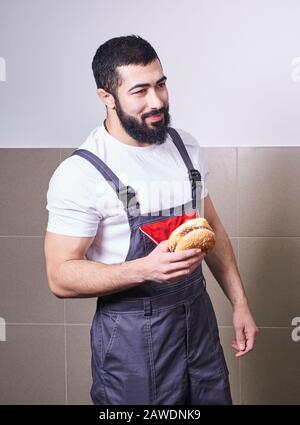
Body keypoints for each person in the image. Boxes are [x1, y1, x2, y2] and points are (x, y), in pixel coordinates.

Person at [44, 35, 258, 405]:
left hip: (198, 323)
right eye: (140, 91)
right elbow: (59, 276)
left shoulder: (184, 147)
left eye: (161, 84)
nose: (157, 101)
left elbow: (213, 230)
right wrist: (144, 269)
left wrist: (240, 302)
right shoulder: (82, 172)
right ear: (106, 97)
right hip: (131, 340)